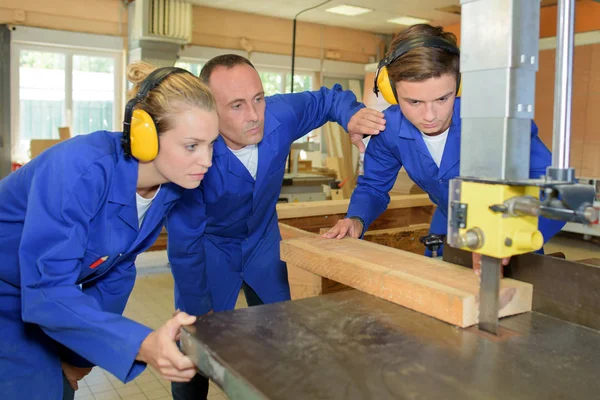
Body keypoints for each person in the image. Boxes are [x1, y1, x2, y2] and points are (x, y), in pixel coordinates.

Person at [166, 54, 386, 399]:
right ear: (210, 111)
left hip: (261, 240)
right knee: (192, 348)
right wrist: (197, 304)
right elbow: (183, 241)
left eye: (258, 98)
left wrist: (352, 114)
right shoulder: (191, 155)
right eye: (236, 106)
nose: (254, 116)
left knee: (281, 335)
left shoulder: (279, 115)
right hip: (209, 248)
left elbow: (327, 99)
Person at [0, 61, 220, 400]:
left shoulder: (170, 188)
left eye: (211, 144)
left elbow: (115, 272)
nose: (206, 160)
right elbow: (47, 292)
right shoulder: (77, 170)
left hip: (44, 291)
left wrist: (80, 358)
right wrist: (142, 344)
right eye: (192, 146)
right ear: (143, 135)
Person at [323, 24, 566, 273]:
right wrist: (357, 219)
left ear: (458, 86)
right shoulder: (389, 129)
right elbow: (373, 187)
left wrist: (513, 238)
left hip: (510, 230)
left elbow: (557, 190)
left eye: (442, 99)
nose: (430, 116)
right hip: (446, 228)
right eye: (414, 101)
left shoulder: (496, 121)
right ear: (392, 91)